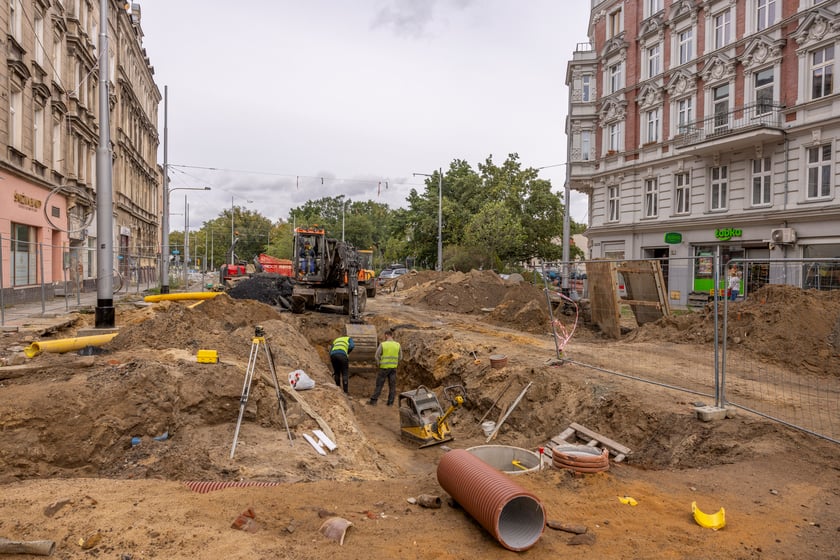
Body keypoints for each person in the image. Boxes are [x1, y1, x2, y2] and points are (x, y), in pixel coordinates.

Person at [369, 330, 402, 406]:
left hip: (384, 368)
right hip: (393, 368)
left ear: (386, 335)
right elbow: (400, 357)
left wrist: (379, 364)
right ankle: (390, 403)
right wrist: (394, 363)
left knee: (379, 385)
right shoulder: (397, 345)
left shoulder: (383, 344)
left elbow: (376, 356)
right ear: (392, 335)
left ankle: (373, 401)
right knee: (392, 386)